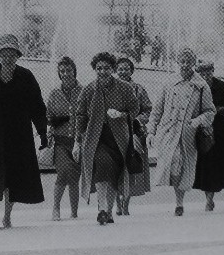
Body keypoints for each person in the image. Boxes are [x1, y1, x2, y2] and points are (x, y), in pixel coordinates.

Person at [0, 34, 49, 230]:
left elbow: (37, 107)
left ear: (17, 55)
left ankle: (7, 215)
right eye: (4, 54)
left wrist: (43, 132)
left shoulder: (26, 77)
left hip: (18, 137)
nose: (8, 57)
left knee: (13, 177)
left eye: (11, 54)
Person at [147, 47, 215, 216]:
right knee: (175, 164)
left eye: (188, 62)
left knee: (183, 167)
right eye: (182, 61)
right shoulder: (168, 83)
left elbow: (210, 111)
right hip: (169, 132)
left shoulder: (201, 85)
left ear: (193, 63)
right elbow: (157, 110)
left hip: (188, 135)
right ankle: (178, 201)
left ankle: (179, 203)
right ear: (177, 62)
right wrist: (151, 131)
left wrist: (197, 121)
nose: (185, 65)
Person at [74, 52, 140, 225]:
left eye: (106, 68)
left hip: (119, 139)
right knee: (104, 164)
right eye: (99, 68)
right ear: (95, 69)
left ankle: (108, 211)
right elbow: (80, 116)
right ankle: (102, 208)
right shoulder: (88, 89)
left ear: (112, 69)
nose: (102, 71)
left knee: (114, 173)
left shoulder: (125, 87)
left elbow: (135, 109)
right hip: (96, 138)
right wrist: (77, 142)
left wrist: (122, 114)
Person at [192, 59, 224, 210]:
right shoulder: (195, 87)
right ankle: (208, 197)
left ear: (212, 71)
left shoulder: (221, 85)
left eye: (208, 71)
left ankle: (210, 198)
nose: (206, 74)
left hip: (219, 130)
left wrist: (218, 110)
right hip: (201, 129)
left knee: (215, 164)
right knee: (204, 165)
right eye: (202, 72)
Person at [45, 56, 82, 221]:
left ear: (74, 71)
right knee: (64, 172)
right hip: (60, 141)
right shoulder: (54, 93)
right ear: (59, 74)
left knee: (74, 176)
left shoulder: (84, 91)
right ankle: (56, 207)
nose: (66, 74)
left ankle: (74, 211)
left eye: (68, 70)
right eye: (62, 71)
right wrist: (52, 123)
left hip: (78, 141)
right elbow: (48, 117)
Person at [115, 56, 152, 216]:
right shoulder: (111, 88)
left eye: (126, 69)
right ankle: (117, 202)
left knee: (130, 168)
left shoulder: (139, 89)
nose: (123, 72)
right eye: (120, 69)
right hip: (115, 133)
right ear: (116, 70)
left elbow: (148, 109)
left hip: (134, 133)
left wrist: (138, 120)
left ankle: (126, 204)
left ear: (131, 71)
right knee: (115, 168)